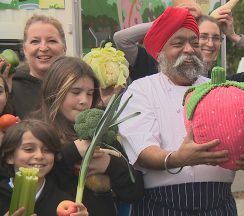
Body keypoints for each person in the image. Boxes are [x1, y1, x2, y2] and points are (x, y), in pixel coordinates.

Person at [118, 7, 244, 215]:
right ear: (159, 52)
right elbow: (142, 152)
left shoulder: (221, 88)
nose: (189, 49)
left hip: (219, 205)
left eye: (194, 43)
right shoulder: (141, 90)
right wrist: (177, 158)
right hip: (160, 207)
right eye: (178, 43)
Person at [31, 56, 144, 216]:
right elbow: (35, 183)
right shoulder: (35, 132)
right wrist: (73, 152)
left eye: (90, 93)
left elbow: (135, 192)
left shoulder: (102, 132)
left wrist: (110, 164)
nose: (84, 100)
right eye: (75, 92)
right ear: (55, 91)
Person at [113, 6, 244, 85]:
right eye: (201, 37)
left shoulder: (222, 84)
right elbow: (121, 39)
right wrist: (172, 21)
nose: (210, 43)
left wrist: (233, 36)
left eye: (216, 38)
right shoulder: (154, 68)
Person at [0, 119, 88, 216]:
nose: (39, 156)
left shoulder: (64, 203)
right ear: (10, 157)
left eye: (47, 150)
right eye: (29, 149)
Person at [10, 14, 66, 119]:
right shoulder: (10, 88)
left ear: (64, 48)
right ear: (25, 49)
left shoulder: (78, 86)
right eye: (35, 41)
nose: (43, 48)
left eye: (52, 41)